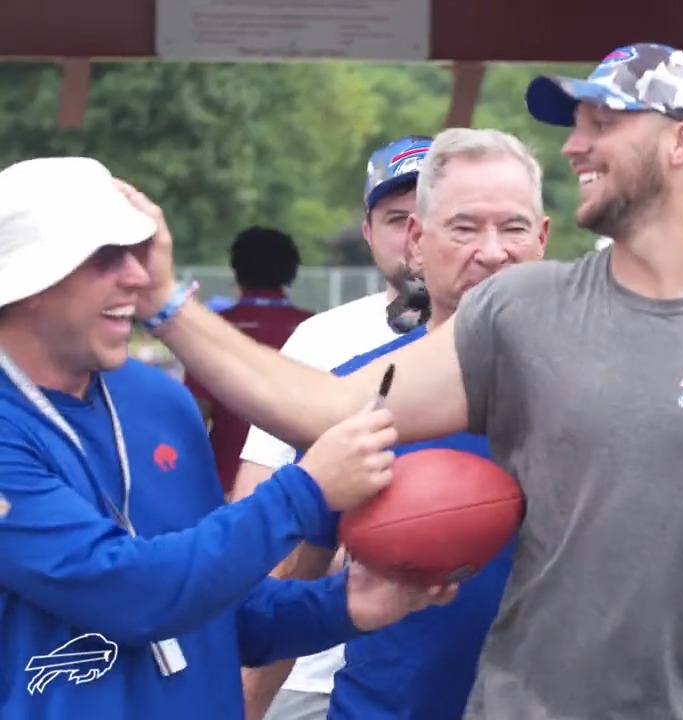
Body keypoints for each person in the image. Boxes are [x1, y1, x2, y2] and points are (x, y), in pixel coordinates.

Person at [131, 41, 683, 719]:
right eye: (464, 226)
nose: (573, 148)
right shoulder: (527, 312)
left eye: (603, 124)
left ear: (680, 142)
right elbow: (330, 407)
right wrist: (167, 304)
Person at [0, 156, 456, 720]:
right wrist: (307, 491)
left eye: (136, 252)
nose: (138, 277)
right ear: (29, 281)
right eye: (104, 258)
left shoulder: (157, 399)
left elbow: (217, 612)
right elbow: (130, 593)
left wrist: (343, 604)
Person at [312, 127, 548, 720]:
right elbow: (286, 581)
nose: (492, 251)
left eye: (514, 228)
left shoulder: (606, 390)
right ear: (416, 241)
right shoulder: (353, 396)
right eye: (464, 228)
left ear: (542, 239)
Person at [236, 134, 433, 720]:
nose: (416, 234)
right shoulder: (322, 339)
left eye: (434, 213)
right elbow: (258, 500)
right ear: (369, 232)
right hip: (314, 668)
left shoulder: (523, 335)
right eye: (397, 218)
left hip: (456, 668)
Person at [184, 225, 313, 495]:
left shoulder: (213, 329)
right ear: (292, 270)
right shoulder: (313, 328)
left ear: (236, 269)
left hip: (227, 487)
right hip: (304, 487)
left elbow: (194, 418)